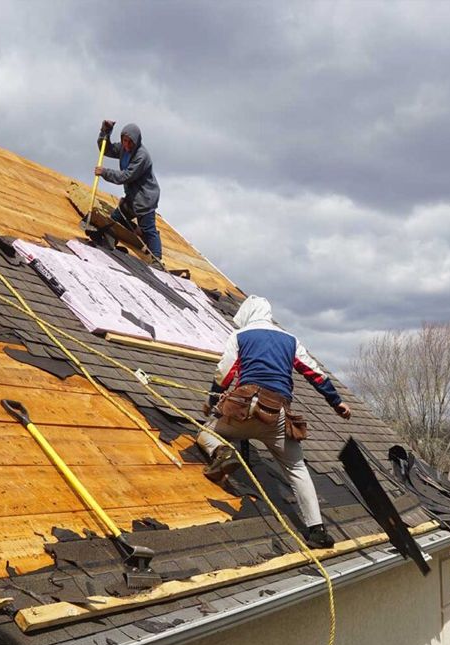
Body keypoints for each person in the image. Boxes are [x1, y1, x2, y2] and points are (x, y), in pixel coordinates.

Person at [196, 296, 352, 549]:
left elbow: (225, 372)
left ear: (247, 314)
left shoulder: (241, 336)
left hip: (244, 410)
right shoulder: (290, 340)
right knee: (297, 469)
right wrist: (337, 402)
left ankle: (223, 452)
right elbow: (315, 374)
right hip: (276, 414)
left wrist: (212, 400)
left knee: (206, 432)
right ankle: (317, 530)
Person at [94, 120, 162, 259]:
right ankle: (118, 239)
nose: (127, 145)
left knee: (149, 230)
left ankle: (157, 259)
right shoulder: (124, 149)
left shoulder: (141, 156)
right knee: (116, 218)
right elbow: (105, 149)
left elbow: (126, 176)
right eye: (124, 140)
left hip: (145, 199)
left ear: (136, 141)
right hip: (132, 197)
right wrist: (105, 132)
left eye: (130, 142)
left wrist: (104, 172)